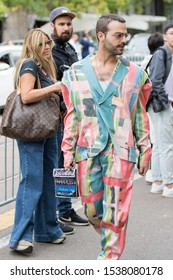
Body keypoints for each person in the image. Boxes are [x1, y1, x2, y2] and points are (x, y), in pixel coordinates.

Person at [61, 14, 152, 259]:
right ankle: (109, 239)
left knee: (116, 211)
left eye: (125, 35)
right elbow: (72, 116)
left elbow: (139, 116)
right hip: (87, 150)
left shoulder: (135, 74)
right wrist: (67, 150)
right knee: (92, 210)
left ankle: (109, 258)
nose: (124, 39)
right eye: (118, 35)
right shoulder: (75, 73)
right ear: (101, 36)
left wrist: (146, 150)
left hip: (121, 152)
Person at [9, 28, 66, 254]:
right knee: (32, 181)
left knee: (47, 181)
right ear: (32, 45)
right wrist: (54, 87)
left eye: (48, 43)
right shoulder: (29, 65)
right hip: (32, 130)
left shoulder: (43, 66)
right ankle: (20, 236)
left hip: (48, 130)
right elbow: (25, 95)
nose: (47, 47)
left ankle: (47, 230)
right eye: (42, 43)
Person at [50, 6, 89, 233]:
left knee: (67, 165)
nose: (66, 27)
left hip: (72, 117)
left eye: (68, 24)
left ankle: (65, 210)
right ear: (53, 26)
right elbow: (51, 85)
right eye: (62, 24)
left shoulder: (70, 49)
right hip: (57, 118)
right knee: (58, 165)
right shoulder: (50, 51)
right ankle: (57, 213)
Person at [147, 23, 173, 197]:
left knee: (159, 144)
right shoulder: (161, 53)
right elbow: (156, 82)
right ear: (165, 37)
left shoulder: (169, 54)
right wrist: (167, 103)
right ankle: (169, 185)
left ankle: (157, 182)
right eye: (172, 33)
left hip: (162, 104)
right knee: (166, 145)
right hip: (162, 105)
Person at [141, 32, 164, 184]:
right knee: (158, 139)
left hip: (147, 104)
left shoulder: (144, 61)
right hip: (157, 104)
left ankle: (154, 172)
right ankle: (156, 173)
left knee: (153, 138)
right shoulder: (160, 59)